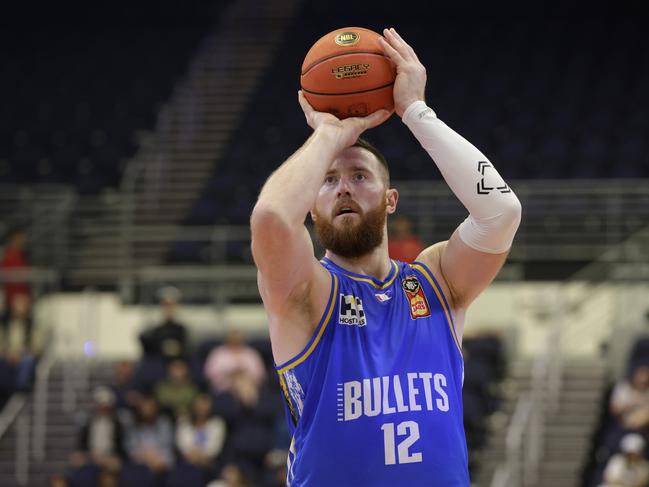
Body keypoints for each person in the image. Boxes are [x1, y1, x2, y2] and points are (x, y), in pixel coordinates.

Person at [250, 28, 521, 486]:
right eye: (329, 180)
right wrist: (330, 135)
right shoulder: (305, 291)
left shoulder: (437, 280)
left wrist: (416, 111)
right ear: (311, 207)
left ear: (391, 200)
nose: (343, 188)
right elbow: (272, 219)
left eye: (359, 175)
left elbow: (501, 211)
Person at [70, 386, 126, 473]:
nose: (103, 408)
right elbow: (82, 443)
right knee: (76, 459)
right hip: (90, 455)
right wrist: (84, 454)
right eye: (101, 405)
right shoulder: (88, 423)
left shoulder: (117, 425)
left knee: (115, 464)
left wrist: (109, 457)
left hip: (110, 457)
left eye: (106, 406)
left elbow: (121, 448)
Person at [204, 329, 266, 394]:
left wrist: (243, 373)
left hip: (248, 385)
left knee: (242, 383)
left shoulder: (251, 353)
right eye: (233, 340)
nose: (235, 342)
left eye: (238, 340)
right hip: (224, 386)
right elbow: (209, 374)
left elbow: (260, 375)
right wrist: (230, 373)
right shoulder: (218, 353)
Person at [176, 393, 227, 468]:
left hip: (209, 462)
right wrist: (192, 455)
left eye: (205, 404)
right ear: (193, 405)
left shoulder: (217, 423)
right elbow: (182, 444)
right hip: (187, 460)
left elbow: (214, 448)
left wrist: (201, 456)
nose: (202, 408)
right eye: (200, 404)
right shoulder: (184, 422)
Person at [139, 286, 188, 360]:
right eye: (166, 305)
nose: (169, 308)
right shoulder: (153, 329)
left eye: (171, 305)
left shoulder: (181, 329)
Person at [0, 227, 29, 317]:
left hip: (21, 294)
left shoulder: (23, 255)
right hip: (9, 294)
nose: (22, 241)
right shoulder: (6, 255)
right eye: (19, 238)